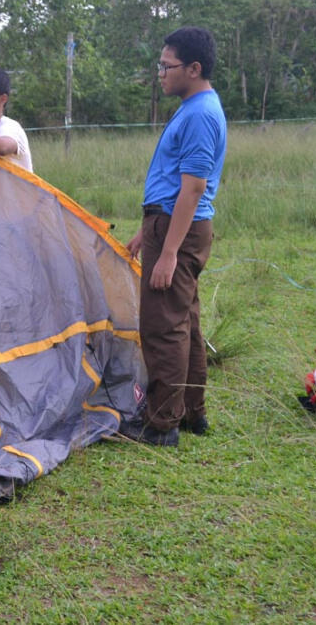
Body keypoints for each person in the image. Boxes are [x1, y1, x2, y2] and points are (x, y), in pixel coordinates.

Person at [118, 26, 227, 446]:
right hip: (168, 225)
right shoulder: (196, 106)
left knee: (164, 326)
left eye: (167, 66)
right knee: (185, 322)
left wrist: (168, 253)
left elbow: (193, 187)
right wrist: (147, 234)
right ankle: (191, 413)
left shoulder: (200, 113)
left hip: (179, 230)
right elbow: (172, 186)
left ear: (193, 68)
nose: (160, 73)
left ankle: (161, 424)